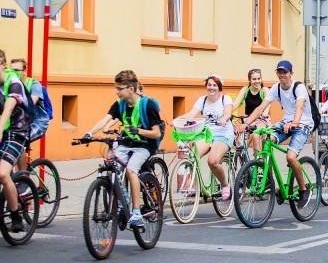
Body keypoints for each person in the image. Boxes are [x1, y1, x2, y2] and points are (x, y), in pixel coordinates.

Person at [82, 70, 162, 227]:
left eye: (119, 88)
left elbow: (156, 133)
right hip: (125, 143)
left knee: (132, 170)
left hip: (144, 145)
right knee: (114, 169)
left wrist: (138, 131)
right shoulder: (119, 105)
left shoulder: (147, 105)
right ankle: (121, 204)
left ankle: (137, 212)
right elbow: (105, 119)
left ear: (130, 89)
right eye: (116, 88)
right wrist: (89, 133)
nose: (116, 91)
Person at [239, 60, 313, 208]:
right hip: (284, 123)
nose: (282, 75)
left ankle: (304, 190)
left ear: (291, 73)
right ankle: (267, 177)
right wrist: (246, 124)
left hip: (302, 124)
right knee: (265, 137)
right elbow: (260, 108)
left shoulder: (299, 87)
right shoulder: (276, 88)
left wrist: (294, 123)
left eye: (285, 72)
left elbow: (299, 107)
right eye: (279, 72)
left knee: (291, 157)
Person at [174, 74, 235, 202]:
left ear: (219, 87)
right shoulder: (202, 100)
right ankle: (194, 187)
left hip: (224, 134)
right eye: (209, 85)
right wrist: (177, 119)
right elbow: (191, 114)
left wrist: (224, 118)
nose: (211, 88)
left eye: (214, 85)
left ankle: (225, 185)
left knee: (212, 161)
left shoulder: (226, 99)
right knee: (192, 156)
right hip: (207, 134)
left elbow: (228, 112)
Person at [0, 51, 29, 232]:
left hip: (16, 132)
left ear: (2, 65)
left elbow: (9, 108)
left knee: (3, 174)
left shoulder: (14, 82)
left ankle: (15, 214)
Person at [8, 58, 50, 169]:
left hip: (37, 123)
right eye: (11, 70)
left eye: (17, 70)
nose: (13, 73)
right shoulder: (9, 83)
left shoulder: (33, 84)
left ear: (25, 72)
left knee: (19, 138)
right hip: (20, 123)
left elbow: (30, 104)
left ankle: (23, 177)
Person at [232, 68, 271, 153]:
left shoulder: (264, 90)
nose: (257, 81)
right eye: (254, 79)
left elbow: (268, 104)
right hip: (248, 120)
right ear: (249, 80)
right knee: (239, 143)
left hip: (261, 119)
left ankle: (257, 162)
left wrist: (265, 112)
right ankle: (245, 162)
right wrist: (227, 113)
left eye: (258, 79)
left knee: (256, 135)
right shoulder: (245, 90)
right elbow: (236, 103)